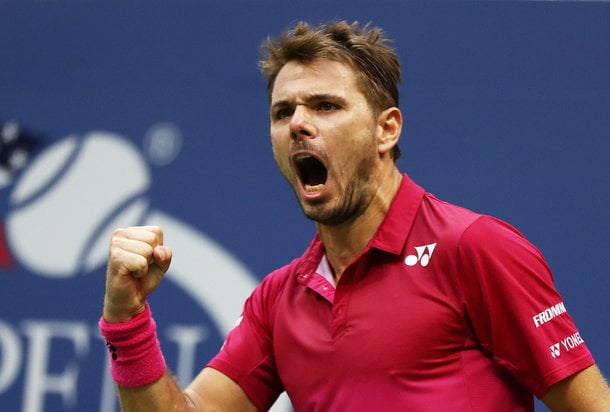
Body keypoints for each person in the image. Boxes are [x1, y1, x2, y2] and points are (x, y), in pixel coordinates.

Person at [100, 21, 610, 411]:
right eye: (283, 112)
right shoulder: (277, 301)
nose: (298, 124)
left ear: (386, 130)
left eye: (325, 106)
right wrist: (126, 321)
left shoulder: (475, 247)